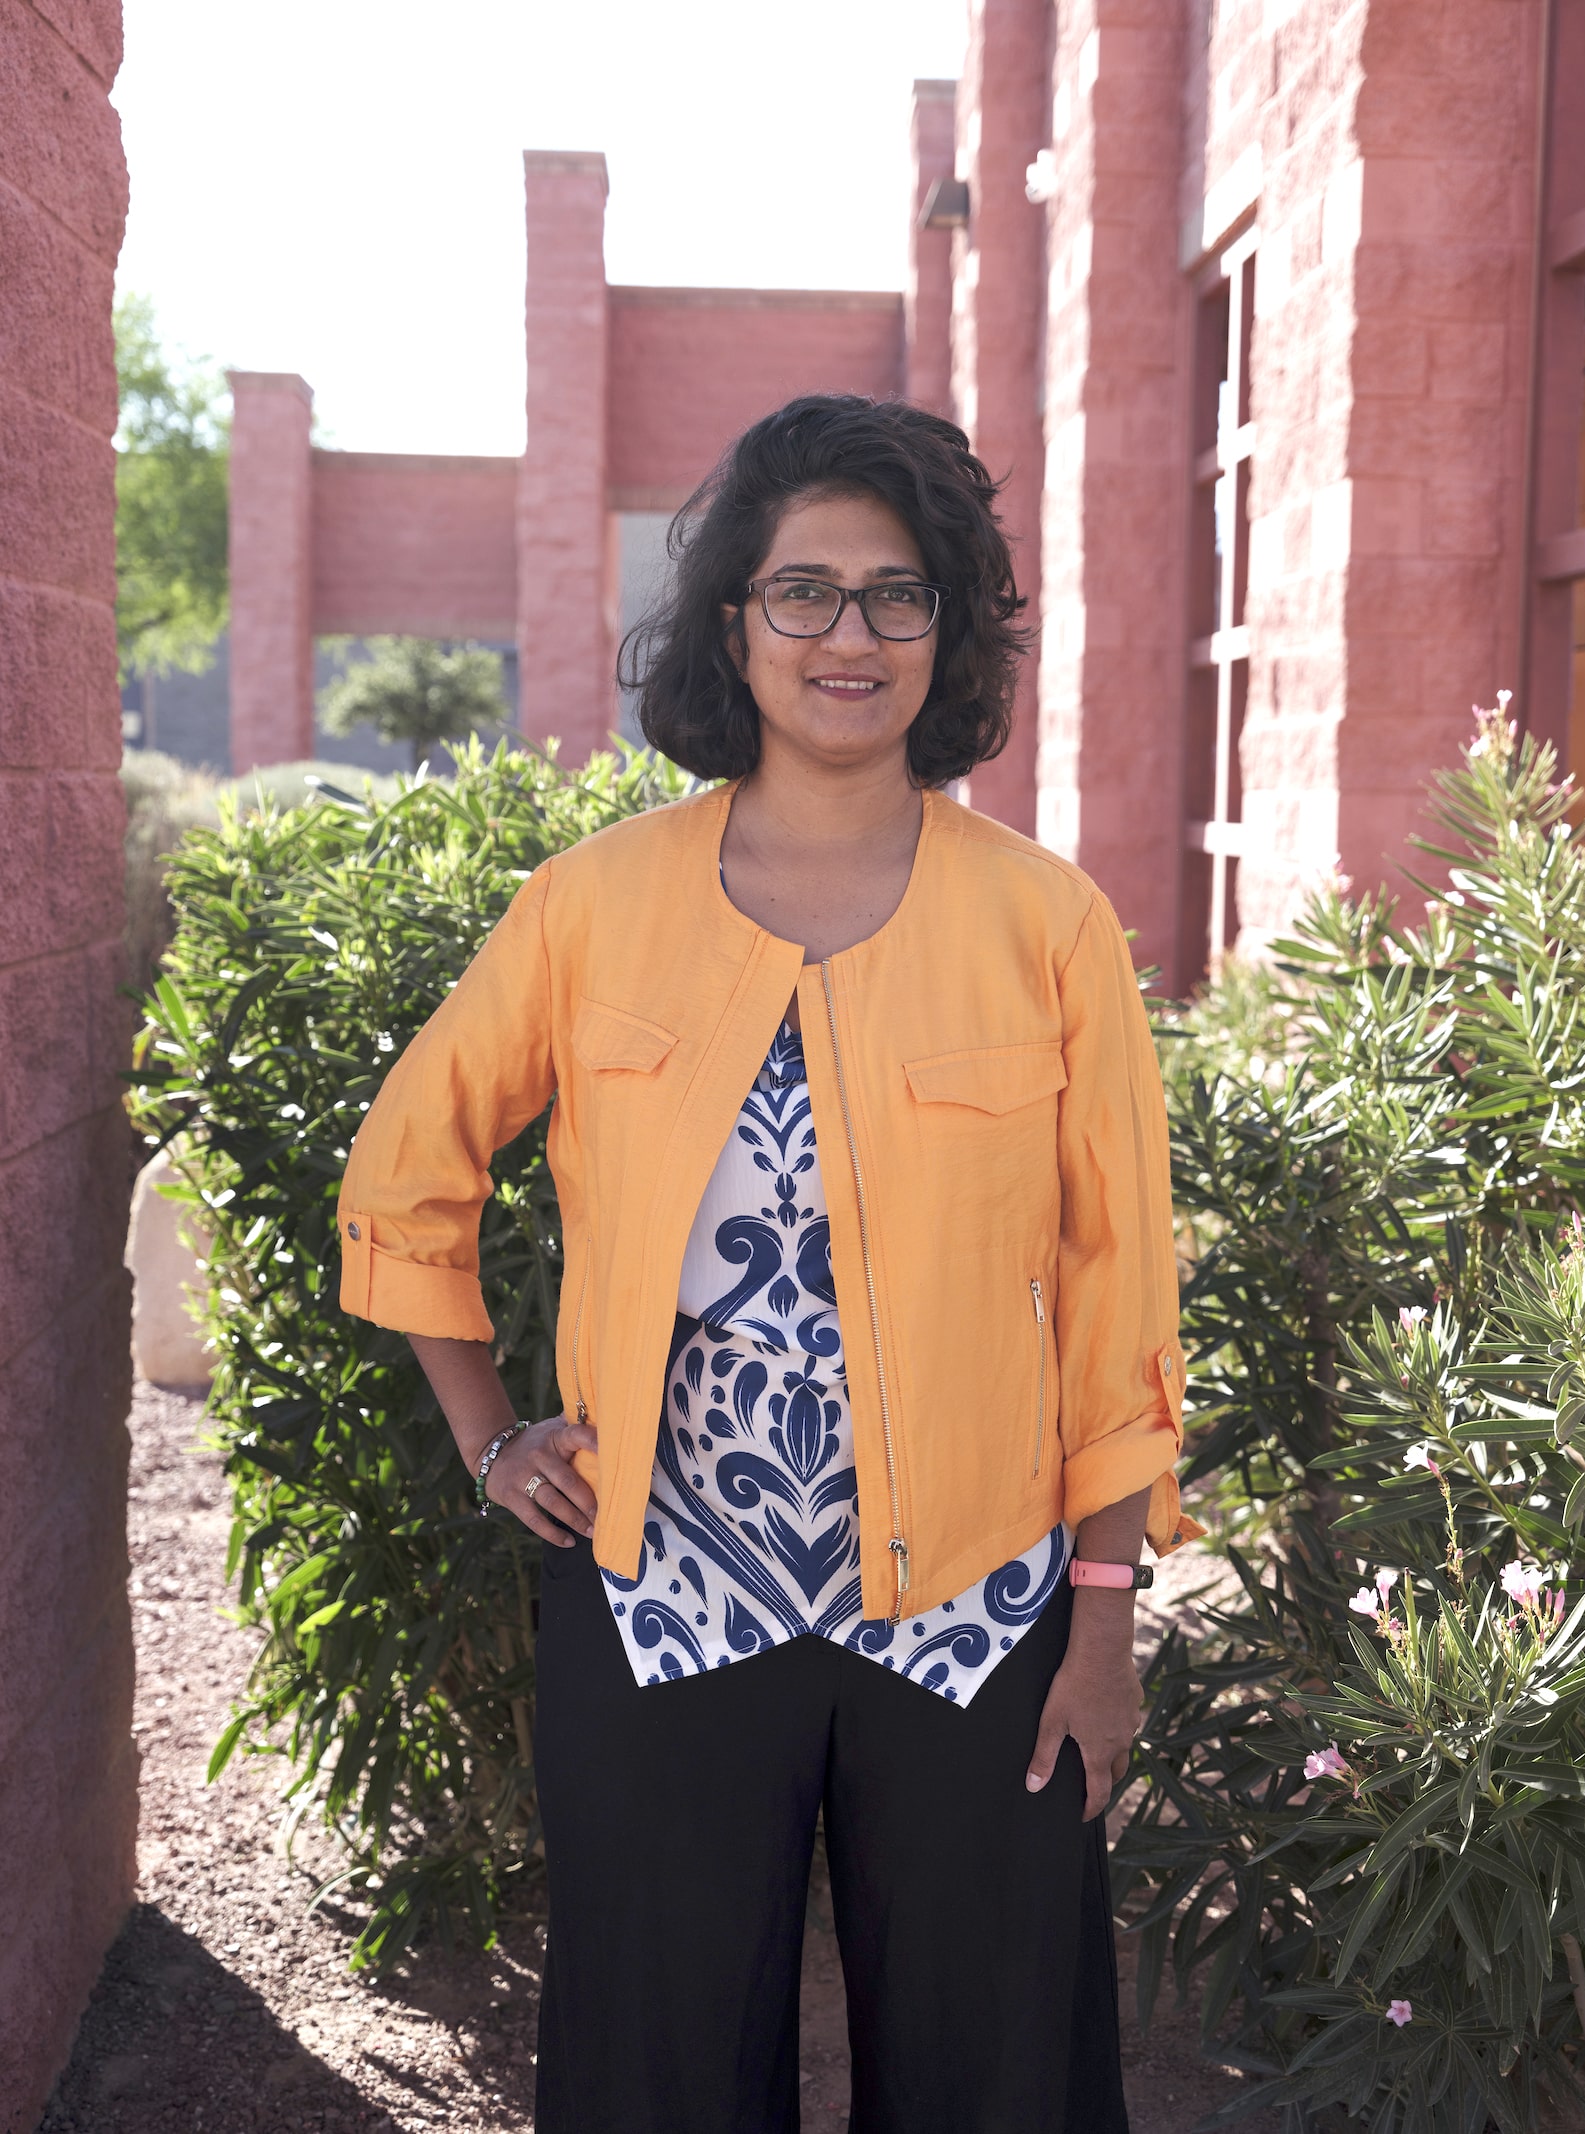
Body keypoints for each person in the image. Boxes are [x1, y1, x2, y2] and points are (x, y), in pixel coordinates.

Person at [337, 393, 1196, 2134]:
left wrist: (1102, 1623)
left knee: (997, 2082)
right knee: (654, 2073)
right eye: (802, 590)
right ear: (733, 622)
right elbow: (407, 1172)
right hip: (664, 1594)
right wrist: (494, 1436)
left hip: (987, 1618)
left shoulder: (1050, 925)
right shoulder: (591, 908)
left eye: (897, 593)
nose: (849, 635)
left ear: (949, 629)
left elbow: (1121, 1294)